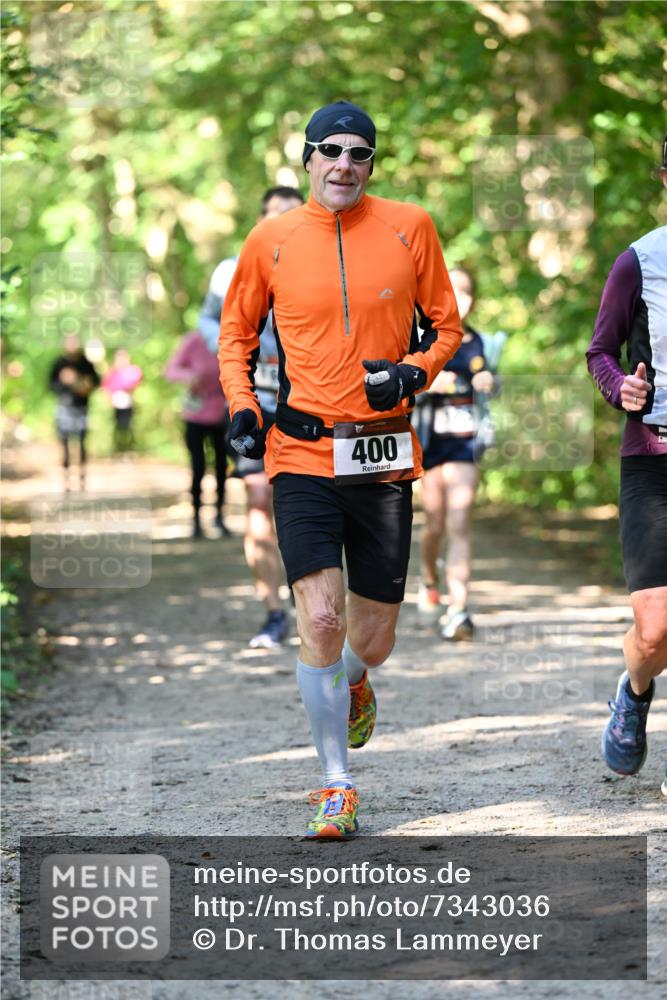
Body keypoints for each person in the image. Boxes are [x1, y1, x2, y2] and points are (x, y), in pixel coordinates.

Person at [219, 101, 462, 838]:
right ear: (307, 158)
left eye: (360, 153)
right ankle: (335, 782)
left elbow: (447, 327)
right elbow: (235, 334)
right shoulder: (271, 239)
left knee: (372, 639)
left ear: (372, 163)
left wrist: (412, 374)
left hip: (382, 449)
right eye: (330, 151)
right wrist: (242, 408)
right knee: (319, 619)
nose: (344, 165)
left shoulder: (409, 225)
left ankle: (355, 680)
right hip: (300, 450)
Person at [586, 134, 666, 791]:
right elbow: (599, 352)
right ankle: (634, 687)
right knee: (654, 628)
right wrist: (623, 389)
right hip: (654, 459)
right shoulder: (637, 261)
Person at [200, 187, 304, 648]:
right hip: (254, 401)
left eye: (292, 215)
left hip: (310, 403)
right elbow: (208, 322)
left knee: (307, 503)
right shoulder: (232, 269)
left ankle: (311, 592)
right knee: (259, 498)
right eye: (274, 216)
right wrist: (235, 348)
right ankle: (273, 612)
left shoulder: (325, 261)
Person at [414, 267, 497, 640]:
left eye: (465, 292)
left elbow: (490, 382)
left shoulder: (479, 343)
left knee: (459, 520)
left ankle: (459, 609)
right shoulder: (423, 339)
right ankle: (430, 578)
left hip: (465, 442)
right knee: (435, 523)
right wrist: (427, 383)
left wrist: (489, 382)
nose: (458, 299)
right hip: (430, 444)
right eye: (450, 290)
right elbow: (400, 387)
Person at [165, 329, 230, 539]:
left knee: (221, 465)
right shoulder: (193, 340)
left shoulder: (229, 337)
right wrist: (190, 377)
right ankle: (196, 520)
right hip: (195, 414)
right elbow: (171, 370)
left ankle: (219, 516)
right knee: (198, 466)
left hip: (222, 413)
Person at [49, 334, 100, 491]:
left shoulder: (85, 362)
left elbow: (97, 381)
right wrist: (64, 382)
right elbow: (51, 386)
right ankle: (66, 481)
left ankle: (82, 479)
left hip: (82, 408)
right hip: (64, 408)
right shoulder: (59, 363)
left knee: (82, 445)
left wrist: (84, 384)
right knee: (64, 446)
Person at [101, 349, 143, 454]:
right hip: (116, 404)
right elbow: (106, 387)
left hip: (128, 403)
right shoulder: (112, 372)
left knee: (128, 426)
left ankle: (129, 449)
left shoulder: (132, 370)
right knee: (118, 427)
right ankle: (118, 450)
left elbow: (135, 382)